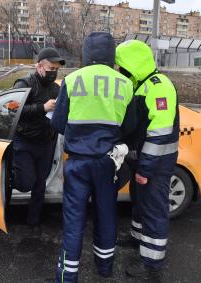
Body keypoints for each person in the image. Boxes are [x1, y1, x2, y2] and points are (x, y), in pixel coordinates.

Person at [51, 32, 136, 282]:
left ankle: (67, 276)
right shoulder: (125, 83)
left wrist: (78, 134)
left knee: (74, 220)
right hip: (108, 162)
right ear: (111, 55)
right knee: (107, 215)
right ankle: (105, 267)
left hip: (77, 162)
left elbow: (57, 123)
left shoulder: (73, 80)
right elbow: (129, 127)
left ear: (86, 53)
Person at [115, 40, 180, 279]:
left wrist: (146, 168)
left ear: (134, 63)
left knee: (154, 209)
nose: (120, 70)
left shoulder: (158, 86)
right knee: (140, 202)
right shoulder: (140, 85)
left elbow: (160, 134)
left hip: (155, 164)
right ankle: (137, 239)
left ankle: (151, 261)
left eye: (122, 65)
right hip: (142, 160)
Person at [10, 47, 65, 228]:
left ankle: (33, 221)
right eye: (51, 69)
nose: (53, 73)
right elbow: (11, 109)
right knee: (26, 183)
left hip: (46, 143)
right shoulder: (24, 83)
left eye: (56, 70)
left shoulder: (56, 88)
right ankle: (8, 181)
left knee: (40, 184)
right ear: (39, 66)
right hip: (24, 142)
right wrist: (42, 108)